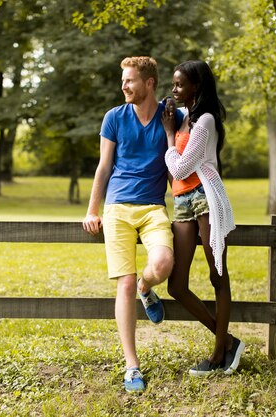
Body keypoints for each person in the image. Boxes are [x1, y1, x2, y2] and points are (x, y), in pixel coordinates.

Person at [82, 56, 183, 393]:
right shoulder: (114, 117)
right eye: (123, 80)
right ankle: (132, 366)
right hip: (117, 209)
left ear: (149, 83)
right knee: (122, 283)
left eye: (130, 80)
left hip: (153, 207)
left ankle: (147, 287)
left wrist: (185, 204)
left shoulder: (172, 117)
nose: (123, 86)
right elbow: (103, 167)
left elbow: (179, 162)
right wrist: (92, 210)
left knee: (163, 263)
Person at [161, 60, 244, 376]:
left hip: (205, 200)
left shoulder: (205, 120)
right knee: (177, 285)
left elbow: (180, 167)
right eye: (173, 83)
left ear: (196, 86)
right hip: (181, 202)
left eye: (180, 84)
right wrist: (173, 128)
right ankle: (228, 341)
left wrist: (170, 136)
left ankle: (217, 354)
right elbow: (177, 172)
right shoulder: (185, 120)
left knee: (217, 276)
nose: (175, 89)